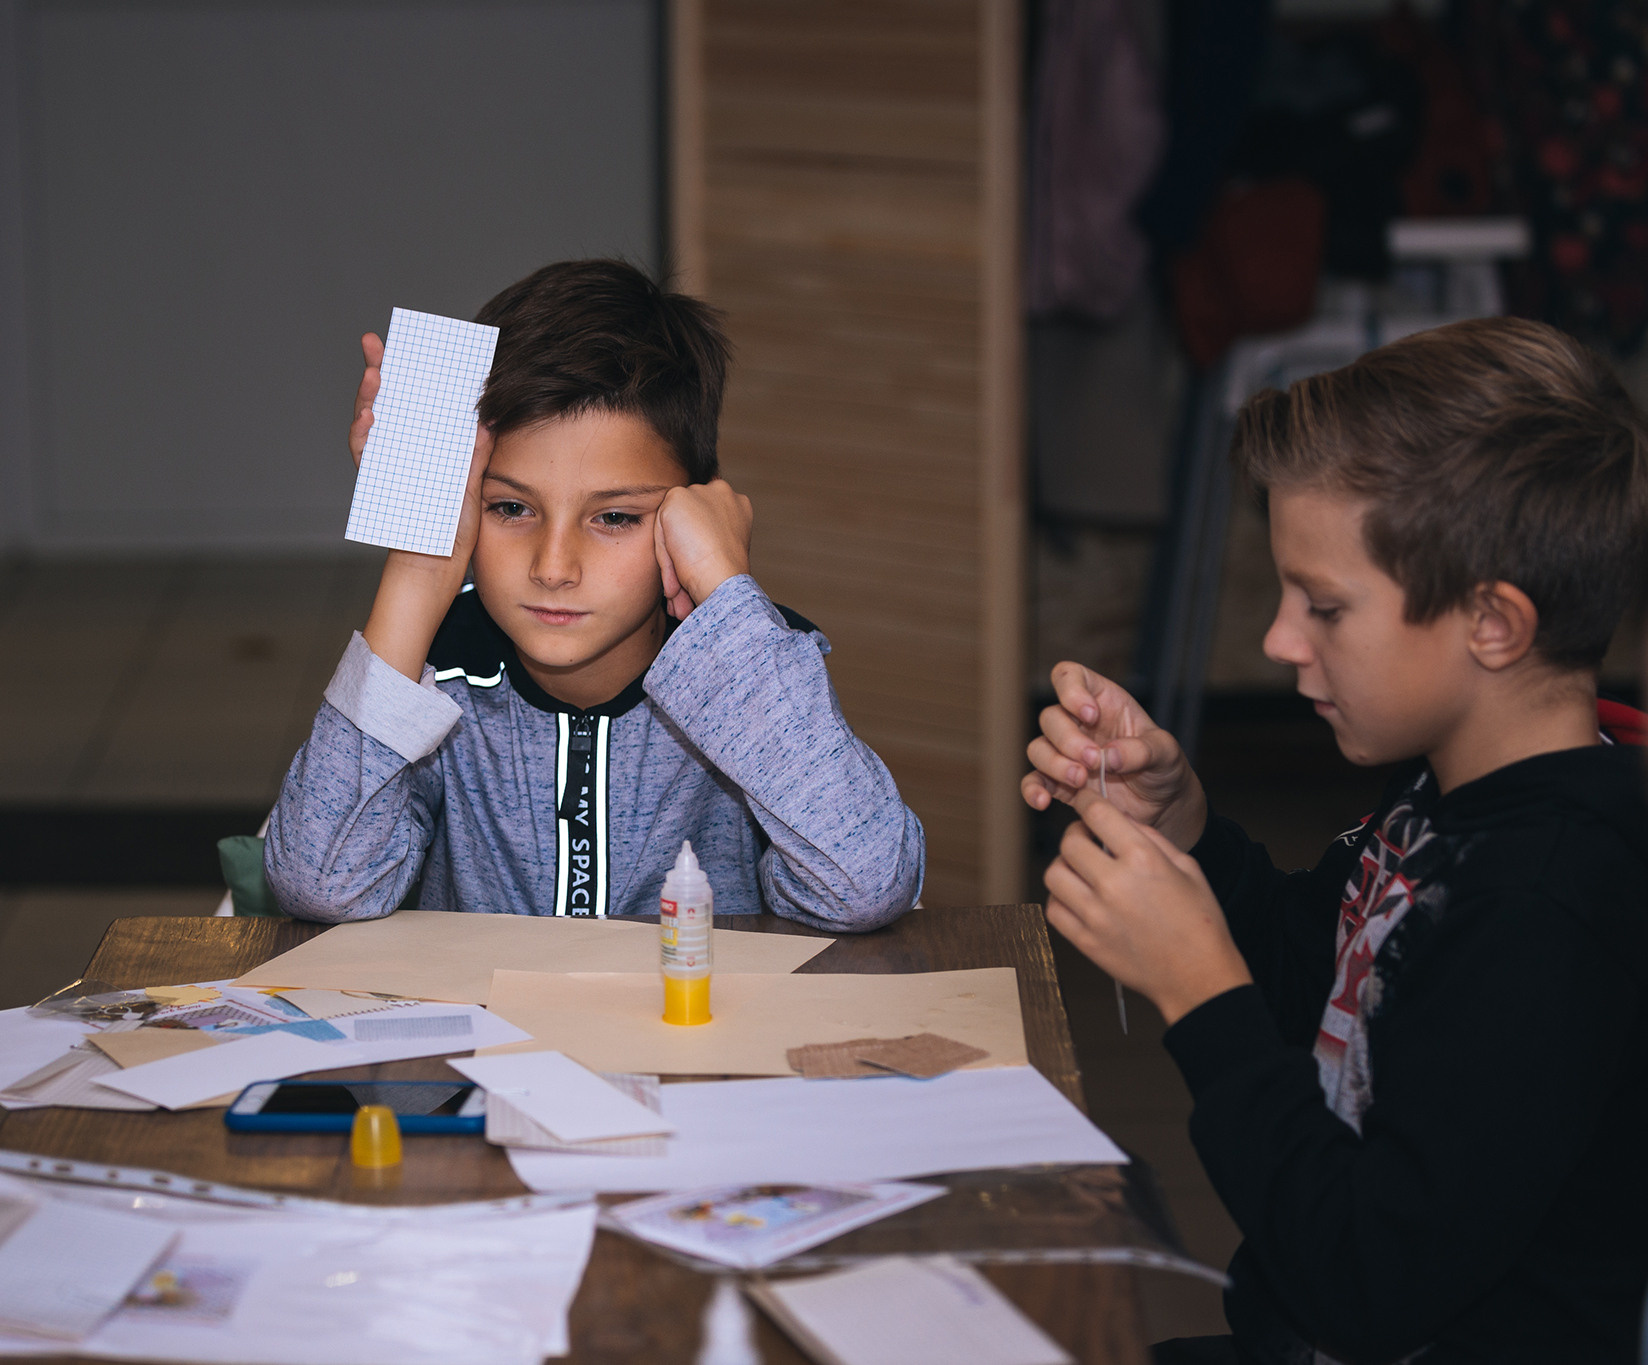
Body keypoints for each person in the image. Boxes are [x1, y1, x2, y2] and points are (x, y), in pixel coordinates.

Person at [1021, 317, 1648, 1363]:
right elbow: (1321, 980)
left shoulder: (1550, 904)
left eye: (1322, 607)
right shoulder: (1449, 801)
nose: (1275, 640)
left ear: (1491, 624)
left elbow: (1369, 1279)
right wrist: (1186, 829)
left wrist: (1196, 991)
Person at [267, 259, 923, 931]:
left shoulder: (752, 668)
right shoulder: (436, 672)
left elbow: (864, 883)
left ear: (690, 511)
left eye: (614, 517)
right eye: (511, 507)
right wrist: (418, 562)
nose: (554, 567)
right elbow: (321, 883)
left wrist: (726, 596)